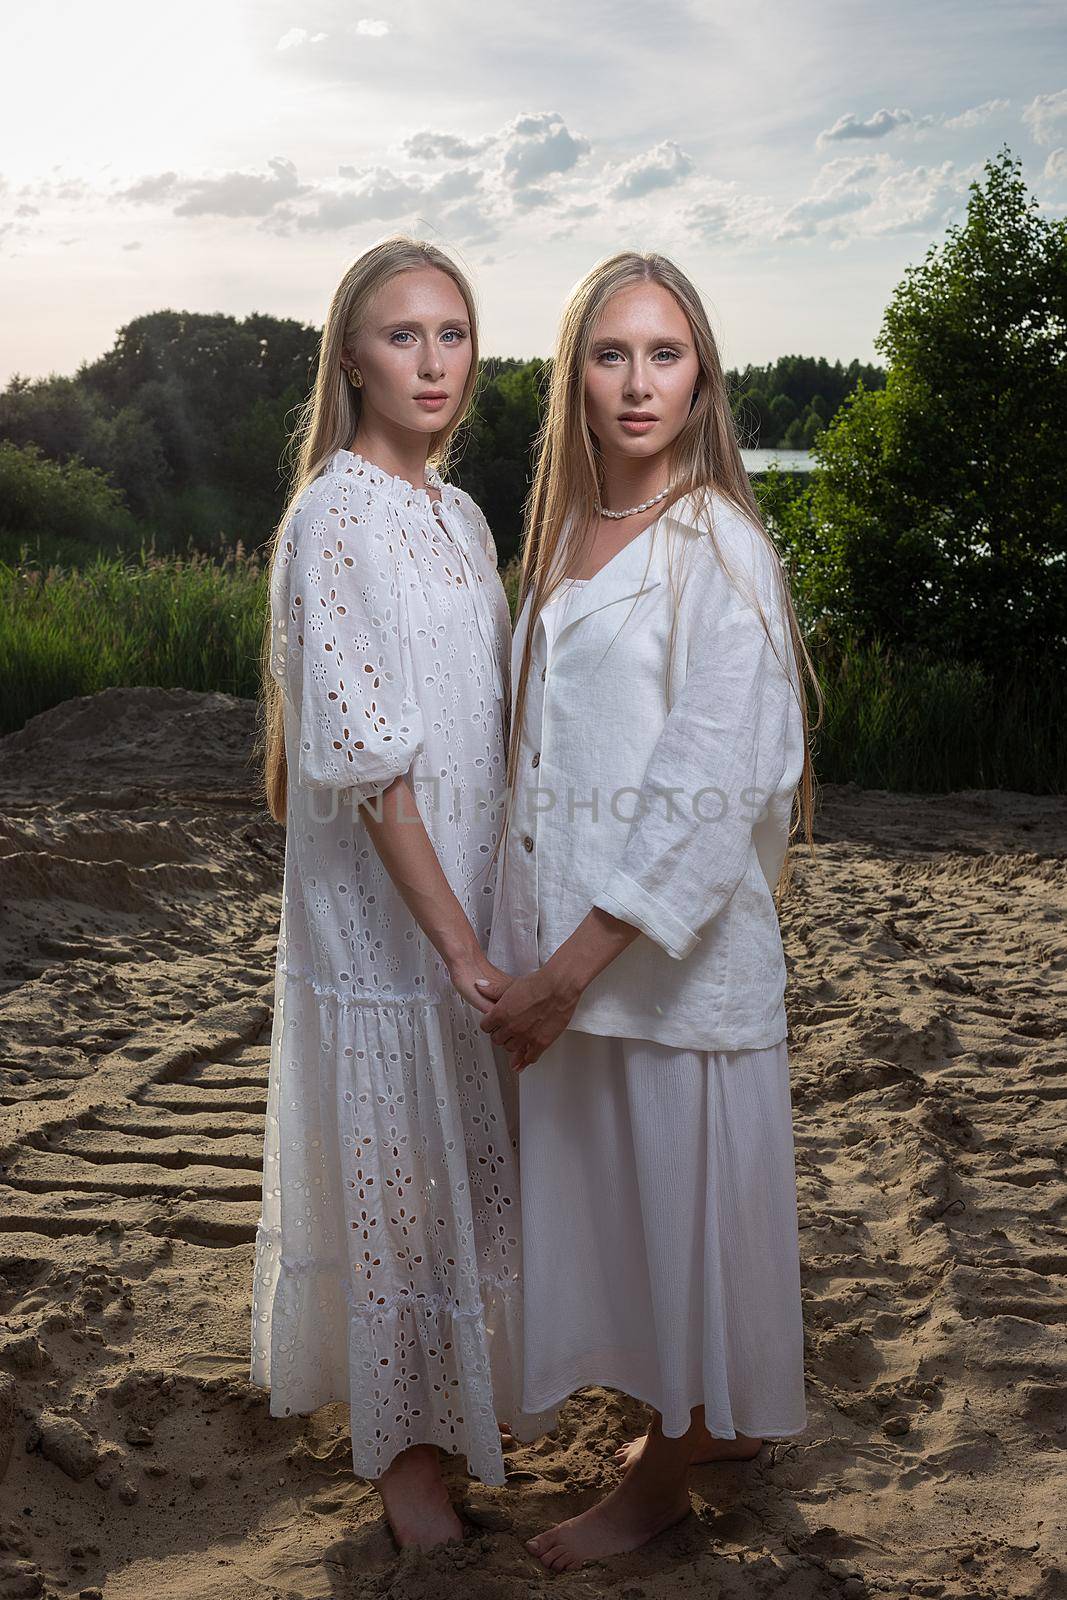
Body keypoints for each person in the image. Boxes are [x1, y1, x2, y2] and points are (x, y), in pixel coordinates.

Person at [474, 250, 823, 1572]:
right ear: (576, 376)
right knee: (623, 1211)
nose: (636, 383)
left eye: (663, 355)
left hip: (662, 964)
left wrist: (570, 967)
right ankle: (703, 1429)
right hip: (569, 942)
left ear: (701, 379)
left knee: (685, 1208)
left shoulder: (715, 543)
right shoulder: (566, 534)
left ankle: (666, 1479)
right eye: (610, 355)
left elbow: (713, 778)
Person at [250, 235, 552, 1552]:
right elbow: (376, 766)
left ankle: (456, 1418)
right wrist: (456, 942)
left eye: (453, 334)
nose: (432, 362)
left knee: (459, 1177)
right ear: (353, 359)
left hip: (475, 888)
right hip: (392, 911)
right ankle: (404, 1460)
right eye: (401, 336)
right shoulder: (335, 514)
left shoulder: (458, 511)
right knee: (393, 1163)